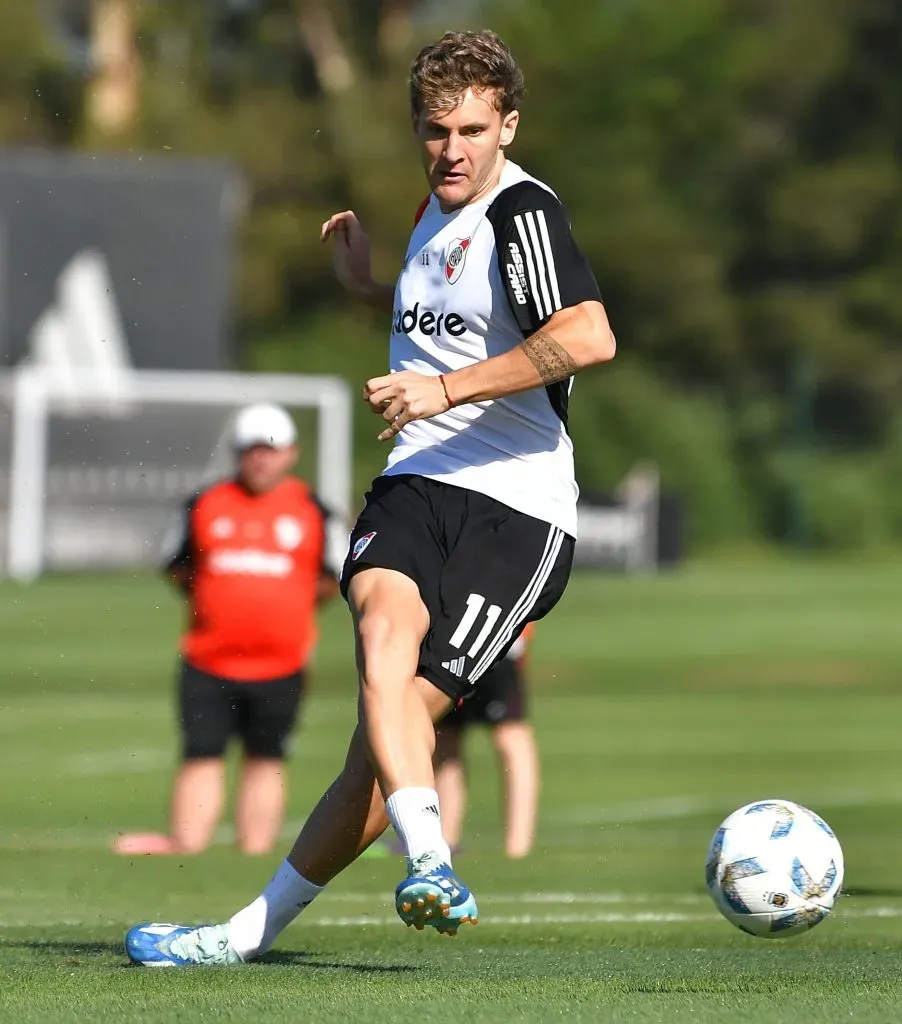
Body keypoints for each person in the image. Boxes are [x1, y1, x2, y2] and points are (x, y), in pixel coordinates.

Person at [124, 28, 614, 966]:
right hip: (415, 481)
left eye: (473, 130)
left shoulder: (523, 212)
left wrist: (445, 390)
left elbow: (587, 336)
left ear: (509, 127)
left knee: (380, 751)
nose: (453, 150)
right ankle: (428, 862)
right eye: (436, 130)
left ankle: (248, 933)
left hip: (516, 511)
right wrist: (368, 286)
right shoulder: (434, 211)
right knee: (380, 639)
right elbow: (451, 320)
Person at [113, 402, 342, 858]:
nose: (260, 459)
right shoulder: (204, 503)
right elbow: (177, 567)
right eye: (251, 449)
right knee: (201, 753)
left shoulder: (315, 510)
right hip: (207, 660)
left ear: (291, 453)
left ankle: (255, 852)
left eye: (270, 449)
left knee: (267, 758)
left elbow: (333, 577)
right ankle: (187, 844)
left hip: (282, 663)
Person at [434, 625, 539, 859]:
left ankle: (517, 846)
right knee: (446, 737)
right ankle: (444, 841)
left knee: (510, 736)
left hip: (483, 640)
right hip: (454, 643)